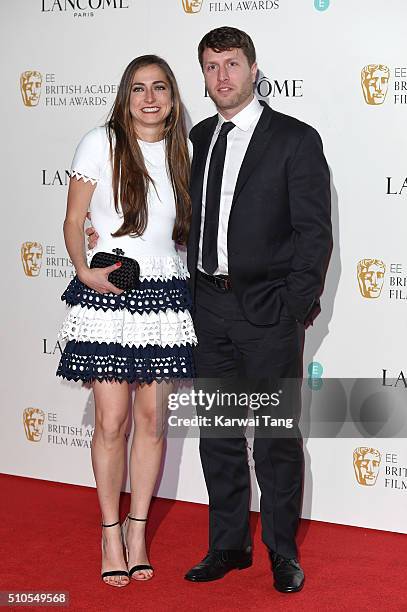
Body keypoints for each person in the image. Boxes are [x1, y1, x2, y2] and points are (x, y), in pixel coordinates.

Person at [184, 27, 332, 593]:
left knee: (274, 439)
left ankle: (282, 551)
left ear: (253, 68)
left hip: (268, 312)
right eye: (212, 65)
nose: (222, 75)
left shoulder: (295, 139)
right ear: (203, 74)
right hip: (208, 309)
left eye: (232, 63)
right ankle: (227, 544)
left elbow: (314, 234)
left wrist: (295, 306)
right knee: (217, 435)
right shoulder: (197, 138)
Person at [56, 55, 197, 587]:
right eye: (138, 88)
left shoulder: (186, 150)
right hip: (109, 292)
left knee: (152, 422)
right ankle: (110, 532)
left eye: (159, 87)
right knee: (111, 421)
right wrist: (83, 272)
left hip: (165, 296)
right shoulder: (100, 142)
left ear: (172, 96)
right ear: (125, 95)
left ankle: (138, 530)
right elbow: (73, 221)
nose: (149, 97)